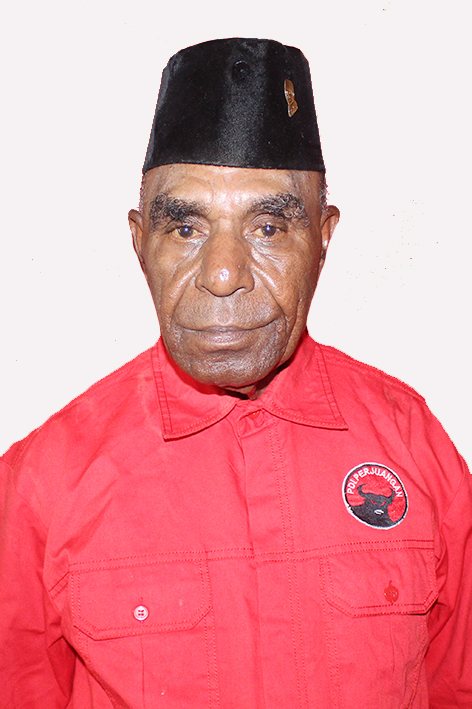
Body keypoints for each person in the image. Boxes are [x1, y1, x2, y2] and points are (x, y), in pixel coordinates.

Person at [0, 37, 471, 709]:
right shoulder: (43, 483)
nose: (223, 274)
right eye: (185, 229)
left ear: (323, 238)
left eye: (269, 228)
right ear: (139, 241)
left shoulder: (413, 444)